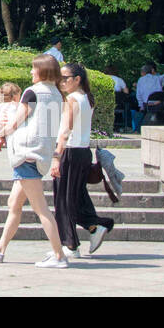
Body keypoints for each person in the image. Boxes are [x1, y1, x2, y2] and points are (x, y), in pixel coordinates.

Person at [0, 55, 69, 268]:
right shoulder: (56, 94)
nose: (31, 72)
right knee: (14, 203)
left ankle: (59, 256)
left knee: (41, 208)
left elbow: (18, 119)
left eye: (33, 69)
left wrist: (3, 132)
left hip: (27, 154)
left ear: (42, 71)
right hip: (39, 154)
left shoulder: (32, 92)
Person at [51, 62, 114, 258]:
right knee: (76, 197)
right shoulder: (87, 98)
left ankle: (70, 245)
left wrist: (56, 157)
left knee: (63, 199)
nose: (61, 82)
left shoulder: (71, 100)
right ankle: (95, 226)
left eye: (65, 78)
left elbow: (65, 131)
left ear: (77, 79)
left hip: (69, 152)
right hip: (83, 152)